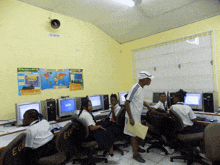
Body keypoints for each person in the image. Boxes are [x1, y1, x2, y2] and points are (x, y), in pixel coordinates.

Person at [124, 71, 155, 163]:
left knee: (137, 134)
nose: (150, 81)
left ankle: (137, 148)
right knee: (133, 136)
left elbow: (140, 100)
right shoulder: (135, 88)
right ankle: (135, 155)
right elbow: (127, 102)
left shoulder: (141, 88)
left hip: (137, 115)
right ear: (144, 79)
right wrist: (130, 118)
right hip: (132, 116)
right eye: (149, 79)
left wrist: (148, 107)